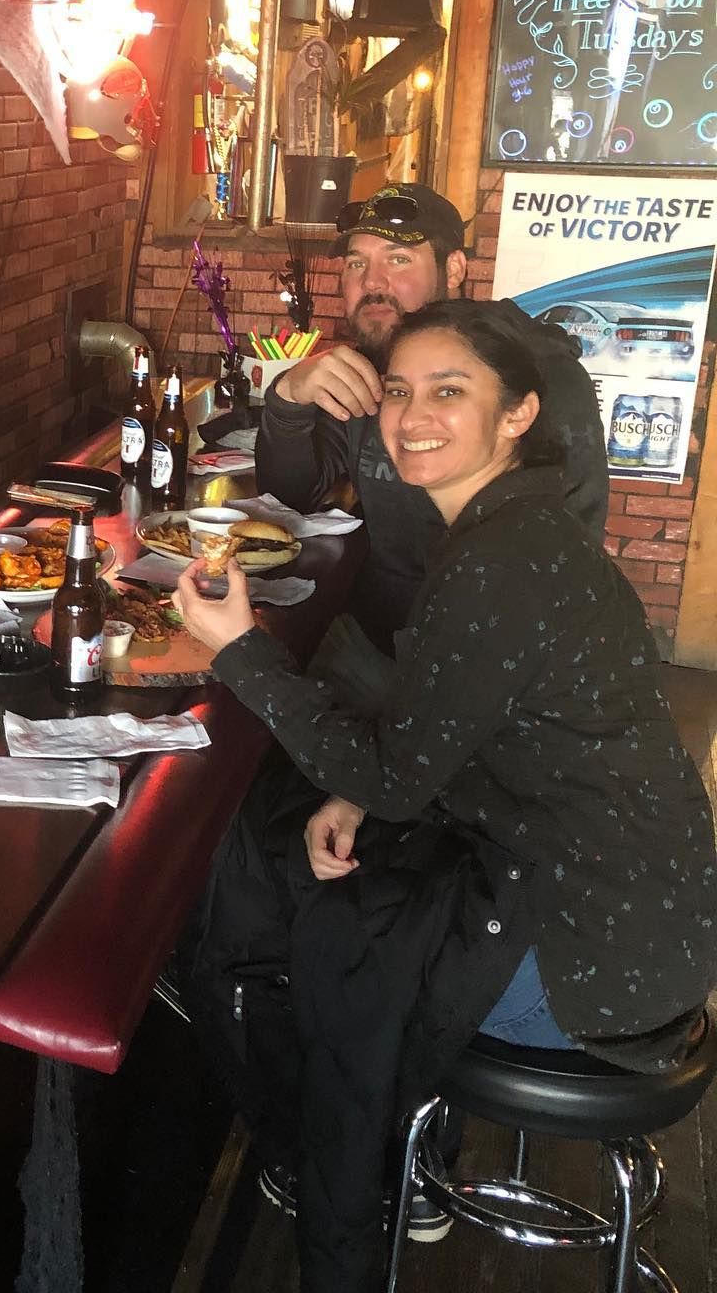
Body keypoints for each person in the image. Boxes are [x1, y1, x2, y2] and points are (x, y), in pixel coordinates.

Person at [176, 299, 717, 1293]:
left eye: (449, 391)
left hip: (596, 975)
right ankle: (344, 1149)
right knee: (312, 855)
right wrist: (368, 796)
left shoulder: (501, 561)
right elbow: (446, 745)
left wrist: (241, 648)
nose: (412, 415)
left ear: (517, 414)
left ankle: (328, 1163)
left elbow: (395, 770)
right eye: (398, 390)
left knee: (269, 900)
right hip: (642, 925)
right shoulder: (519, 530)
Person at [256, 182, 608, 711]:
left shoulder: (537, 377)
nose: (372, 282)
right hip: (374, 644)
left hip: (493, 667)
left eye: (398, 259)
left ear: (456, 269)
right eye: (356, 263)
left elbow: (568, 560)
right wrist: (288, 397)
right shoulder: (366, 368)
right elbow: (291, 499)